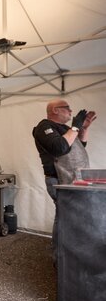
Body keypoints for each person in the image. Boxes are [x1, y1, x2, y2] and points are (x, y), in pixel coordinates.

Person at [32, 98, 97, 261]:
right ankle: (60, 261)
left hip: (73, 180)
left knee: (69, 217)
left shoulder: (66, 129)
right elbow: (60, 148)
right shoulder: (44, 126)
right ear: (55, 110)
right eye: (67, 108)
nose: (70, 111)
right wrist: (75, 125)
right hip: (59, 180)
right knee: (64, 218)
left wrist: (84, 128)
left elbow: (79, 147)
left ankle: (70, 258)